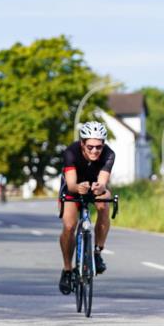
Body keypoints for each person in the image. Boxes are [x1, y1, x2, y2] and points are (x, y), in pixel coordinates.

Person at [58, 121, 115, 294]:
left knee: (104, 203)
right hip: (73, 185)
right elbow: (71, 183)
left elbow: (103, 180)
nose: (94, 151)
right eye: (90, 146)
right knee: (69, 226)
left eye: (98, 147)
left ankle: (97, 251)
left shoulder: (109, 154)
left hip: (94, 185)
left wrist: (101, 188)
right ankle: (68, 270)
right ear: (82, 143)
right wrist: (78, 188)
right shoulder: (71, 152)